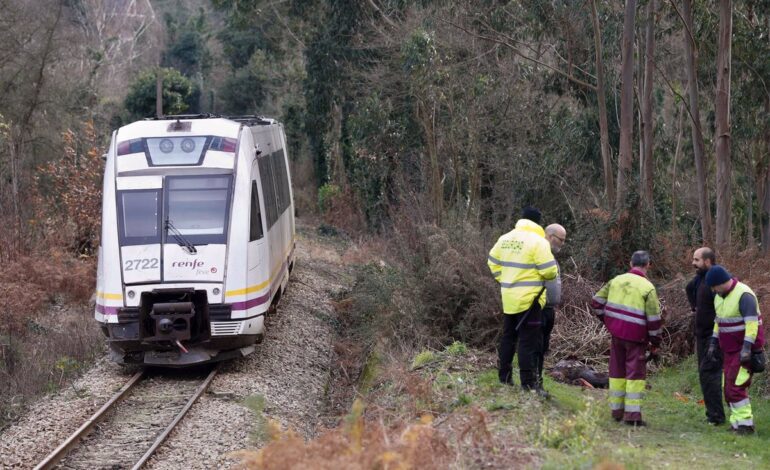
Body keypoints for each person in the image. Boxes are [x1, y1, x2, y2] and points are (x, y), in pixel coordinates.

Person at [488, 206, 558, 395]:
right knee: (528, 342)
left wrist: (502, 278)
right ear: (538, 223)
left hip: (509, 297)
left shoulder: (505, 238)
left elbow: (492, 260)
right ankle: (528, 384)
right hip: (531, 300)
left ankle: (504, 377)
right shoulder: (539, 242)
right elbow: (550, 271)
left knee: (508, 337)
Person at [591, 251, 662, 427]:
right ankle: (632, 416)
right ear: (648, 265)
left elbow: (596, 302)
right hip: (637, 339)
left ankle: (616, 411)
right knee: (635, 376)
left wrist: (608, 321)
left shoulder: (616, 280)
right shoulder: (648, 288)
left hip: (617, 336)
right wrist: (656, 342)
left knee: (616, 372)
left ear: (631, 263)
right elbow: (654, 319)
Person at [704, 265, 765, 435]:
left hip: (744, 351)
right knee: (728, 387)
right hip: (729, 350)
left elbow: (752, 324)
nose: (713, 290)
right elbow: (719, 321)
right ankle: (737, 424)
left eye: (714, 286)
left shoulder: (744, 295)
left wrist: (746, 348)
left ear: (721, 282)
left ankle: (746, 426)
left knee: (736, 387)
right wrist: (713, 343)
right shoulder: (719, 297)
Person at [685, 247, 725, 425]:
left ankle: (717, 417)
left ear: (707, 261)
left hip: (714, 336)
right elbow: (688, 287)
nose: (693, 263)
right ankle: (712, 414)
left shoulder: (716, 282)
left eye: (696, 260)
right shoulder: (699, 279)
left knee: (710, 374)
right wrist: (695, 307)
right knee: (704, 375)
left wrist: (716, 336)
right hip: (701, 336)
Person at [540, 224, 567, 385]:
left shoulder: (551, 257)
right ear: (550, 236)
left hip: (550, 309)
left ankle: (539, 374)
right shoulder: (540, 254)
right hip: (539, 308)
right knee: (536, 344)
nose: (562, 243)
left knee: (544, 345)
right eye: (560, 240)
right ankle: (533, 377)